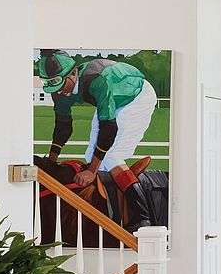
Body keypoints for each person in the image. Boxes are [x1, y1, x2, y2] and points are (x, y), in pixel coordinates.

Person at [35, 50, 157, 191]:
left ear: (74, 72)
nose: (58, 92)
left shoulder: (97, 79)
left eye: (60, 85)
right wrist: (51, 162)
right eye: (52, 87)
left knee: (111, 157)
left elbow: (109, 129)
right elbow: (63, 127)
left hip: (136, 96)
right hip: (111, 100)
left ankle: (139, 202)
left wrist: (92, 171)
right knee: (90, 155)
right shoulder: (58, 91)